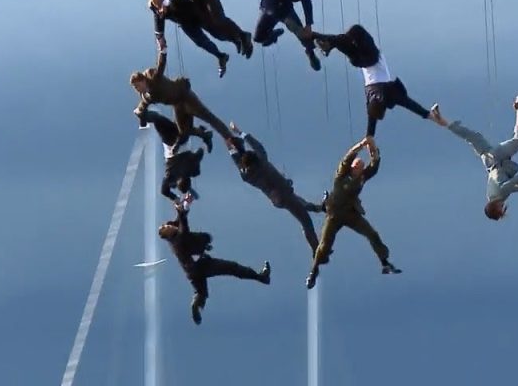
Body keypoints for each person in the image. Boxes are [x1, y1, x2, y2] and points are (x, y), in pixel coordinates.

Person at [159, 196, 271, 325]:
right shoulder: (178, 239)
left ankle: (196, 306)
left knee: (201, 293)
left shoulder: (175, 240)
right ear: (167, 234)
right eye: (166, 227)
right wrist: (182, 209)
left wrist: (185, 203)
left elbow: (179, 221)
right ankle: (261, 277)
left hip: (192, 272)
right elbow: (183, 224)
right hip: (201, 265)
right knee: (233, 268)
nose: (168, 225)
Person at [307, 136, 401, 290]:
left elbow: (374, 164)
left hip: (351, 213)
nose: (360, 168)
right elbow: (348, 156)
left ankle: (385, 263)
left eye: (361, 166)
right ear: (352, 167)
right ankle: (313, 271)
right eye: (357, 165)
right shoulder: (341, 175)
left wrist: (372, 146)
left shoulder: (362, 177)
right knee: (324, 246)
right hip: (334, 214)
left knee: (372, 234)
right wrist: (361, 145)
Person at [313, 23, 437, 136]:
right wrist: (429, 115)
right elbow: (410, 106)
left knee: (354, 32)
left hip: (370, 59)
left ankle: (323, 41)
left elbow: (410, 104)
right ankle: (326, 42)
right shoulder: (373, 100)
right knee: (346, 40)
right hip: (361, 61)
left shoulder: (385, 96)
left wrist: (428, 114)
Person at [429, 93, 518, 221]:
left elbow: (515, 182)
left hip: (496, 159)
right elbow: (514, 187)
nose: (503, 208)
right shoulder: (491, 196)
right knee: (471, 137)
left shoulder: (500, 194)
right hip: (488, 160)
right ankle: (442, 121)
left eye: (501, 210)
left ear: (496, 209)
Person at [226, 122, 325, 256]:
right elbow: (257, 146)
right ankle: (316, 250)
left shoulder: (247, 176)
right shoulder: (262, 161)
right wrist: (240, 132)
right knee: (306, 220)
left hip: (279, 199)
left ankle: (319, 208)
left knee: (302, 203)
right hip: (284, 194)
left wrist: (231, 150)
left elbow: (239, 164)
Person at [130, 45, 241, 148]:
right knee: (183, 133)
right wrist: (139, 113)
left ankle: (230, 138)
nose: (137, 89)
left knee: (208, 117)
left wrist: (163, 51)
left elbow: (161, 65)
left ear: (143, 80)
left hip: (185, 97)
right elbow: (142, 106)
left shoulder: (153, 77)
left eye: (137, 86)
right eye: (135, 88)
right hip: (177, 105)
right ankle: (205, 134)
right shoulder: (145, 96)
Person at [148, 0, 231, 77]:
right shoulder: (155, 8)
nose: (161, 11)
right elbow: (158, 21)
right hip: (185, 22)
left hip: (195, 13)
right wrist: (160, 37)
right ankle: (221, 56)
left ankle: (236, 36)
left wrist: (166, 3)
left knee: (217, 32)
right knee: (201, 42)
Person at [138, 108, 211, 201]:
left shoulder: (193, 170)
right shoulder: (171, 177)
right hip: (169, 141)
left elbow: (201, 151)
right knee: (157, 119)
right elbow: (164, 191)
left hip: (181, 139)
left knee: (182, 119)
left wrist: (206, 141)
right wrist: (175, 198)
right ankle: (143, 115)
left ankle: (144, 115)